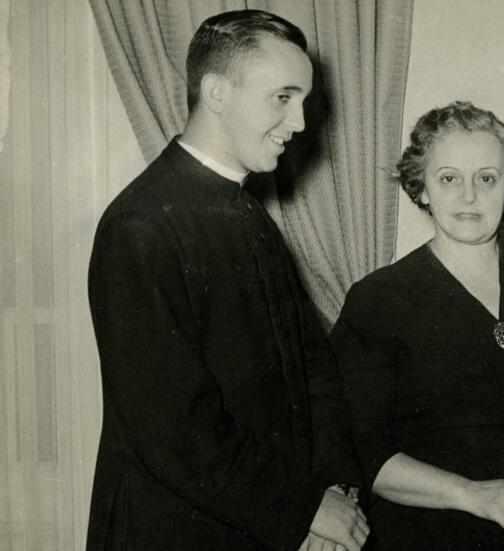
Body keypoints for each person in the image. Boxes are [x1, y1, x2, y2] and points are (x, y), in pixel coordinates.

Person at [86, 10, 368, 551]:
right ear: (216, 92)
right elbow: (173, 428)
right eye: (282, 97)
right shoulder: (139, 227)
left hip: (268, 522)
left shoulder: (247, 214)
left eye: (303, 100)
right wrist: (307, 509)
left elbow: (313, 372)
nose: (301, 123)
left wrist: (334, 488)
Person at [330, 101, 504, 550]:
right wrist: (470, 494)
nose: (469, 196)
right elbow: (363, 449)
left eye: (486, 178)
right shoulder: (378, 302)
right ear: (421, 188)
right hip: (433, 537)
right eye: (448, 179)